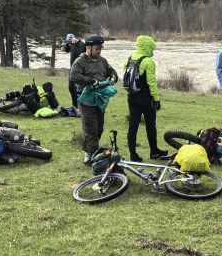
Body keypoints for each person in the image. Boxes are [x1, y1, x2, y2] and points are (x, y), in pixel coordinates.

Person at [70, 34, 118, 163]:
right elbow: (74, 76)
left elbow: (112, 71)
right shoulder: (80, 61)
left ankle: (90, 151)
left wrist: (113, 77)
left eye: (100, 48)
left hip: (100, 99)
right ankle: (91, 156)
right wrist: (92, 82)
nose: (99, 51)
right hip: (85, 100)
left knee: (99, 128)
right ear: (88, 48)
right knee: (90, 128)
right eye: (97, 48)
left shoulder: (102, 61)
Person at [124, 35, 168, 161]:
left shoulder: (129, 59)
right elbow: (152, 82)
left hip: (131, 97)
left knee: (133, 126)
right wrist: (156, 99)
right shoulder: (148, 61)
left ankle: (133, 155)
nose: (153, 50)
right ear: (147, 47)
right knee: (150, 125)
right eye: (152, 48)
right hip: (146, 98)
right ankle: (154, 152)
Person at [63, 34, 86, 105]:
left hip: (80, 70)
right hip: (72, 69)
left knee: (79, 89)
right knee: (71, 88)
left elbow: (76, 52)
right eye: (69, 42)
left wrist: (73, 44)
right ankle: (75, 105)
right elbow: (67, 50)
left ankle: (80, 105)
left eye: (70, 42)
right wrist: (67, 44)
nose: (70, 43)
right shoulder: (72, 45)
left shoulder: (81, 45)